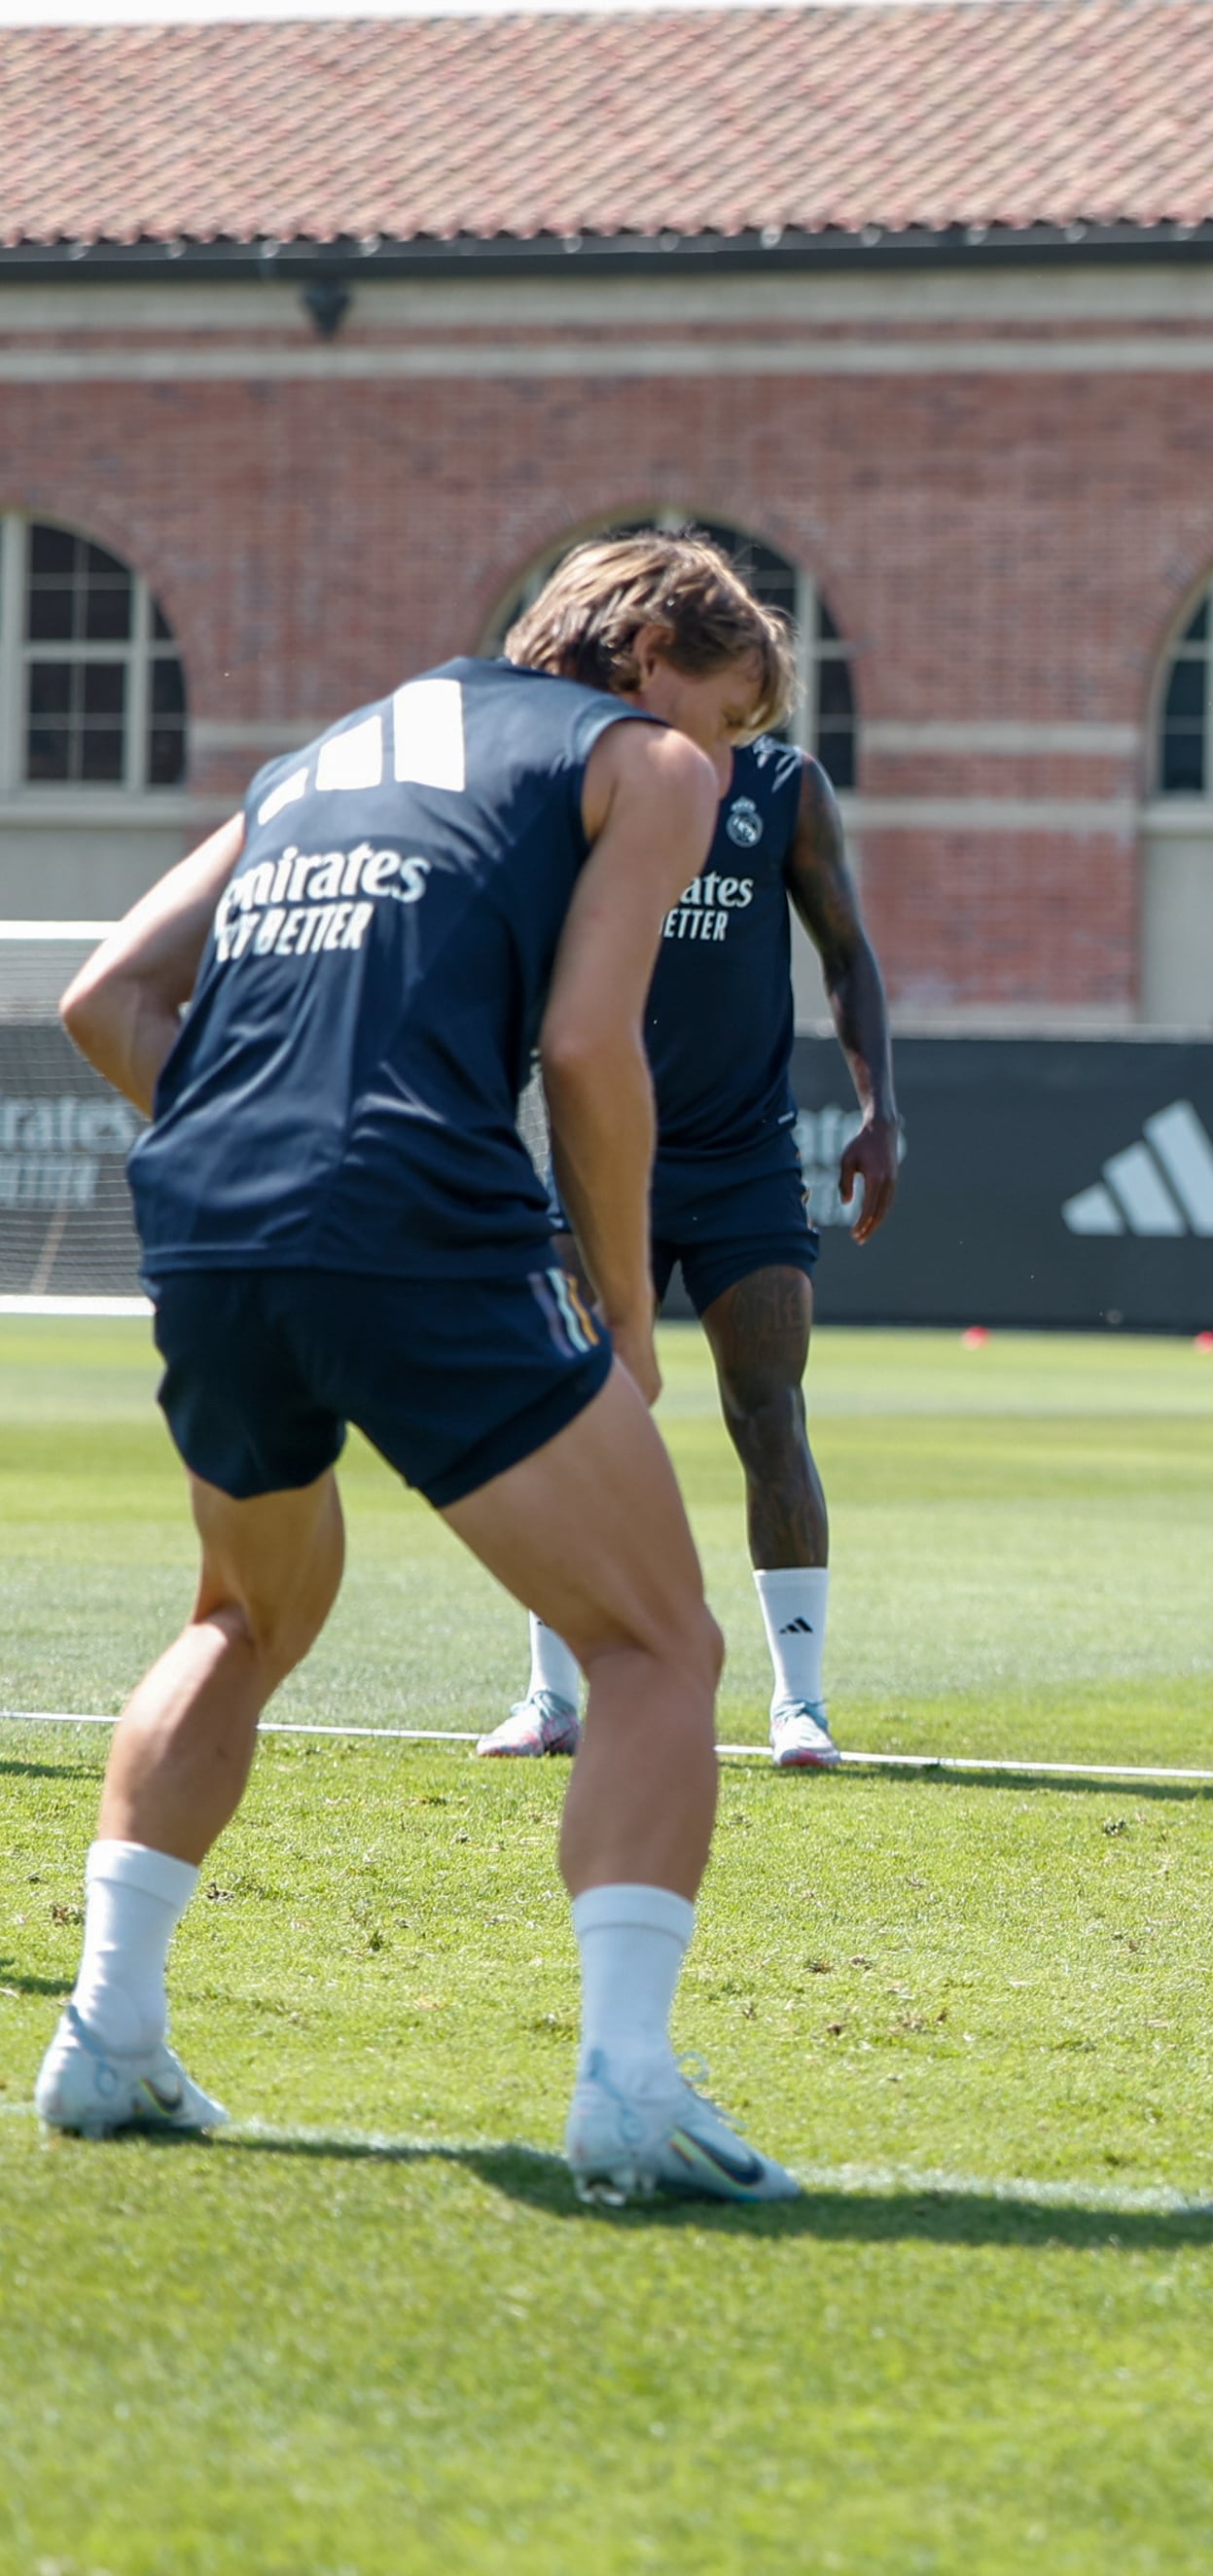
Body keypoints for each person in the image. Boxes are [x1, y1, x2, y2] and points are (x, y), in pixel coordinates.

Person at [37, 534, 806, 2202]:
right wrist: (621, 1305)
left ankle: (107, 2034)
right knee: (656, 1641)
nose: (731, 761)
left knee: (240, 1615)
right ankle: (626, 2085)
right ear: (654, 652)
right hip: (412, 1206)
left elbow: (105, 1000)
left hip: (208, 1210)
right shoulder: (648, 765)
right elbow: (592, 1045)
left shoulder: (331, 748)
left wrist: (266, 1152)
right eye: (733, 717)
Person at [482, 699, 902, 1771]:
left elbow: (847, 954)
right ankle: (551, 1692)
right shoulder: (587, 779)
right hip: (597, 1151)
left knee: (769, 1413)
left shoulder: (785, 787)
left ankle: (798, 1705)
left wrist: (880, 1110)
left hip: (746, 1163)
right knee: (562, 1414)